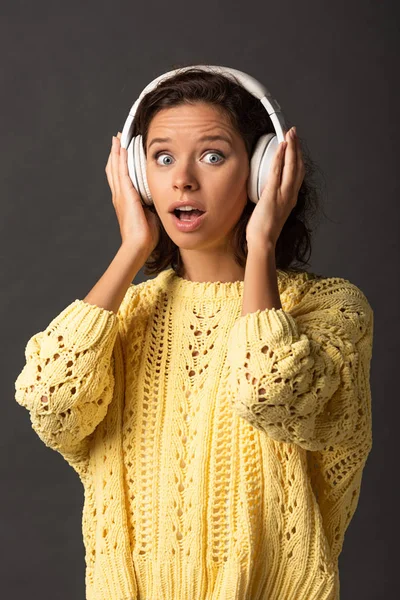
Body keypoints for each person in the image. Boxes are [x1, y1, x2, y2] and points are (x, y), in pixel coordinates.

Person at [14, 66, 374, 600]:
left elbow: (270, 391)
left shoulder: (329, 309)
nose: (182, 178)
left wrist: (263, 244)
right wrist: (131, 249)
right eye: (161, 158)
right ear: (138, 177)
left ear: (261, 171)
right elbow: (50, 402)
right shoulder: (126, 314)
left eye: (212, 155)